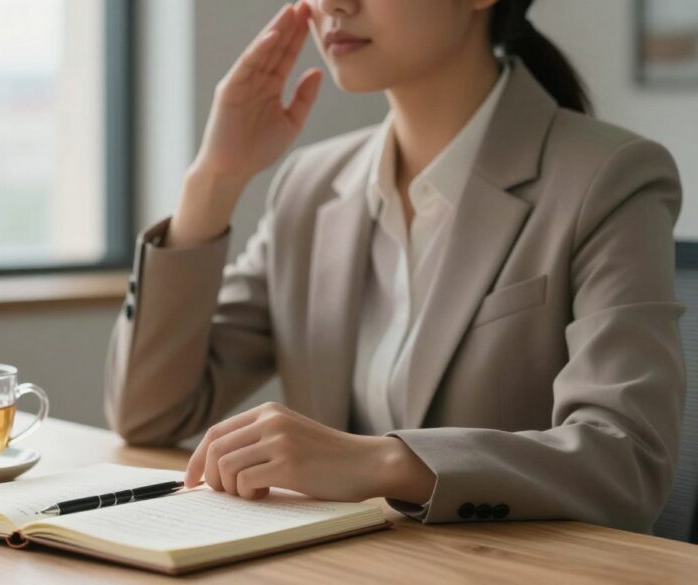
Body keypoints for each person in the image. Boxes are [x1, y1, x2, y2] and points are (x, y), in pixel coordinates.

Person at [104, 0, 685, 532]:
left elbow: (625, 461)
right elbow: (149, 414)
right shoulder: (310, 187)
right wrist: (213, 181)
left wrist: (376, 461)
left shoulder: (610, 179)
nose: (333, 5)